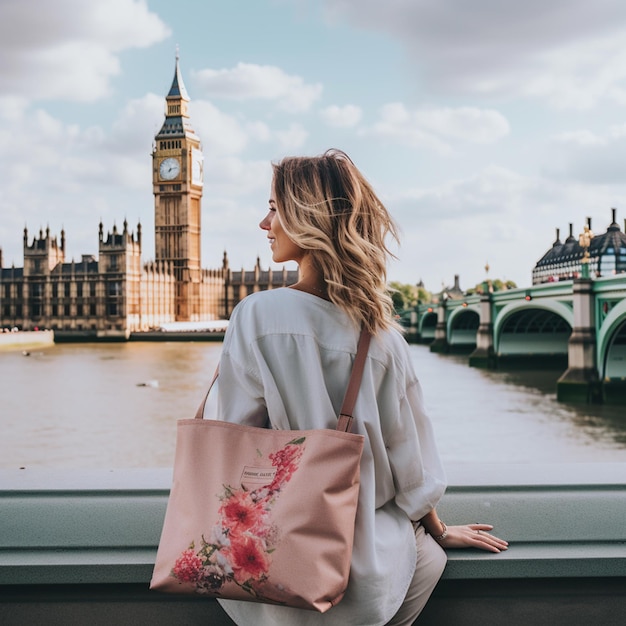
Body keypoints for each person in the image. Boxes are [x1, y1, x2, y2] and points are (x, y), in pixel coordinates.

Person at [212, 149, 508, 626]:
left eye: (274, 208)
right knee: (425, 559)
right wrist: (440, 529)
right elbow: (411, 465)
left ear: (306, 218)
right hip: (369, 576)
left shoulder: (255, 317)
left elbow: (230, 440)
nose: (264, 223)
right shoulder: (383, 336)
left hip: (272, 568)